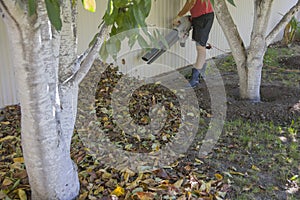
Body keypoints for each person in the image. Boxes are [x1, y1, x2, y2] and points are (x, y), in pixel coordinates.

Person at [173, 0, 214, 88]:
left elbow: (191, 2)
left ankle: (195, 79)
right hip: (201, 17)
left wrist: (179, 16)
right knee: (201, 46)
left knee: (200, 48)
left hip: (203, 17)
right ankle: (200, 74)